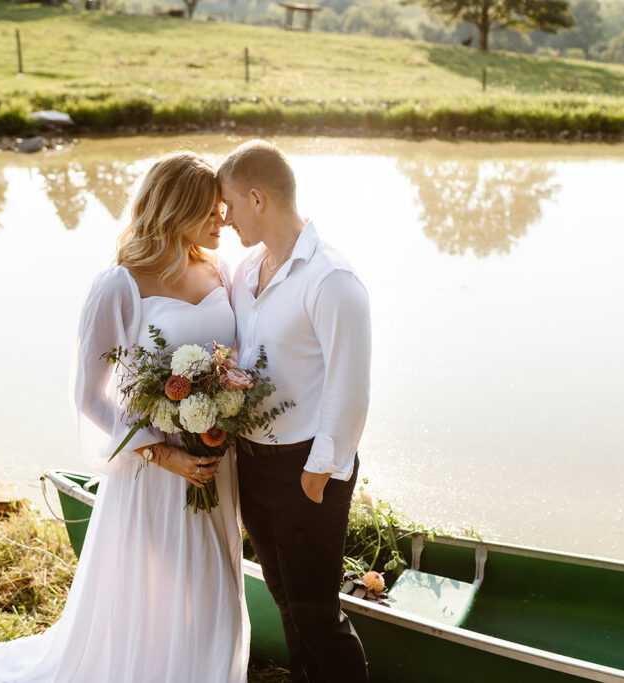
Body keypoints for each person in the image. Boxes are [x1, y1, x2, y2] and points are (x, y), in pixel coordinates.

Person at [0, 152, 250, 683]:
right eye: (211, 212)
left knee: (216, 579)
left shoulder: (221, 269)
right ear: (175, 209)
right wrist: (159, 449)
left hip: (217, 456)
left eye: (224, 210)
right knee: (155, 582)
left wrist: (221, 415)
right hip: (153, 471)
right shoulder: (118, 285)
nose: (223, 221)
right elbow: (89, 393)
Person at [218, 140, 372, 683]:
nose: (225, 218)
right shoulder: (244, 270)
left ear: (256, 198)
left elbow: (350, 387)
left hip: (307, 469)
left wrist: (318, 471)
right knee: (286, 602)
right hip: (253, 464)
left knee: (318, 616)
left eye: (229, 206)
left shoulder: (332, 280)